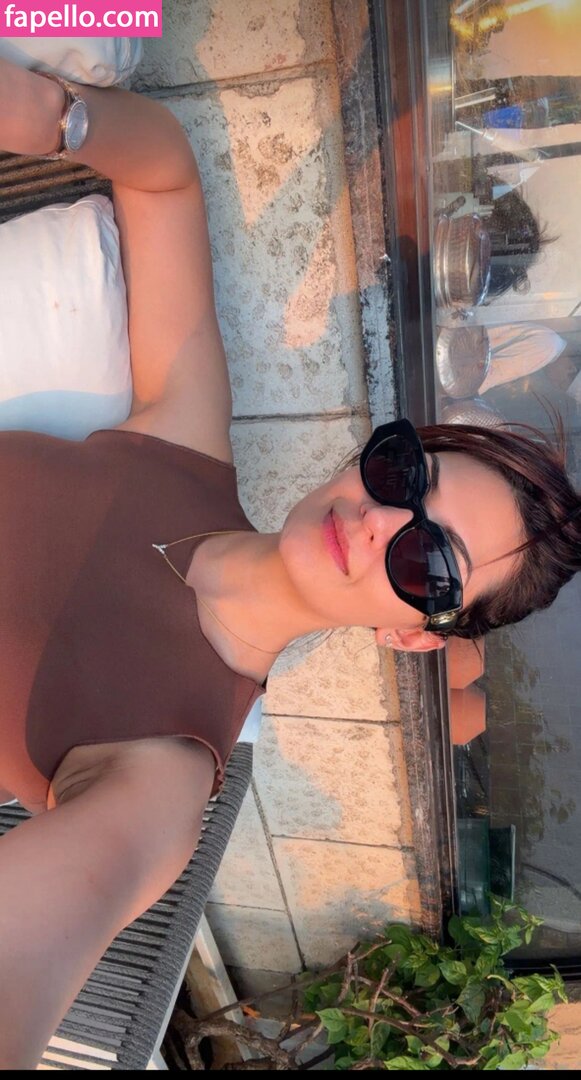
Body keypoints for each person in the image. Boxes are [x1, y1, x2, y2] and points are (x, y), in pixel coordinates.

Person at [0, 59, 580, 1069]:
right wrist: (60, 116)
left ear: (411, 634)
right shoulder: (181, 449)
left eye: (428, 564)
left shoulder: (161, 773)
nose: (379, 520)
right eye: (402, 473)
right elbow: (165, 173)